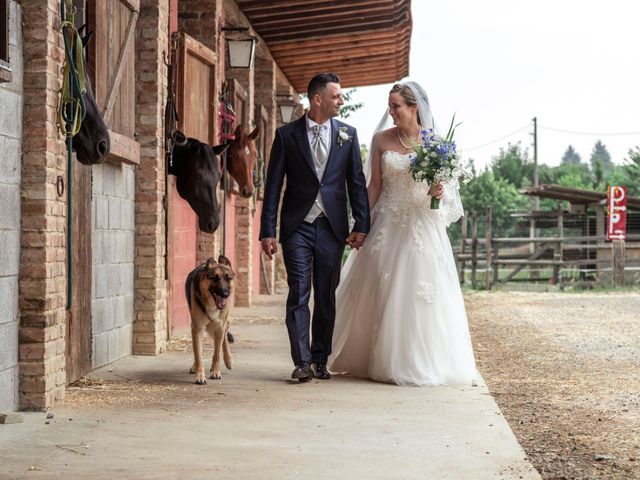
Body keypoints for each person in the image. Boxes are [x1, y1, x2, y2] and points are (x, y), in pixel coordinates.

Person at [328, 82, 477, 386]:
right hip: (386, 221)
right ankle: (374, 357)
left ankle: (417, 359)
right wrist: (361, 224)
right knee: (380, 285)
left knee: (417, 289)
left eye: (396, 105)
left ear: (414, 108)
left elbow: (447, 189)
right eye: (389, 105)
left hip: (421, 222)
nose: (391, 111)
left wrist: (440, 190)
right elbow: (374, 186)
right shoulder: (381, 140)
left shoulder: (435, 142)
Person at [259, 73, 370, 382]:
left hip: (333, 227)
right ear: (317, 99)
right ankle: (301, 361)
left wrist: (361, 222)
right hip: (297, 227)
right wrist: (268, 230)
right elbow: (272, 186)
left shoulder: (347, 134)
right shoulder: (286, 135)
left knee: (325, 295)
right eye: (337, 96)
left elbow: (356, 182)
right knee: (298, 293)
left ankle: (320, 358)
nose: (341, 101)